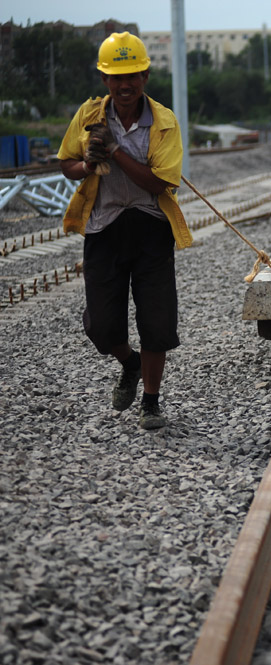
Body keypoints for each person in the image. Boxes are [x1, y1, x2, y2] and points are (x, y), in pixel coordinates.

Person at [58, 31, 189, 430]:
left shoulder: (163, 122)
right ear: (104, 81)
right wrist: (89, 163)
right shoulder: (88, 116)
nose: (125, 85)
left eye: (132, 76)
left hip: (150, 227)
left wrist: (114, 150)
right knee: (101, 327)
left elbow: (159, 183)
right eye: (116, 78)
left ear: (146, 76)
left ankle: (151, 402)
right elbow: (67, 164)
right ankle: (128, 363)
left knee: (157, 321)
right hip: (104, 228)